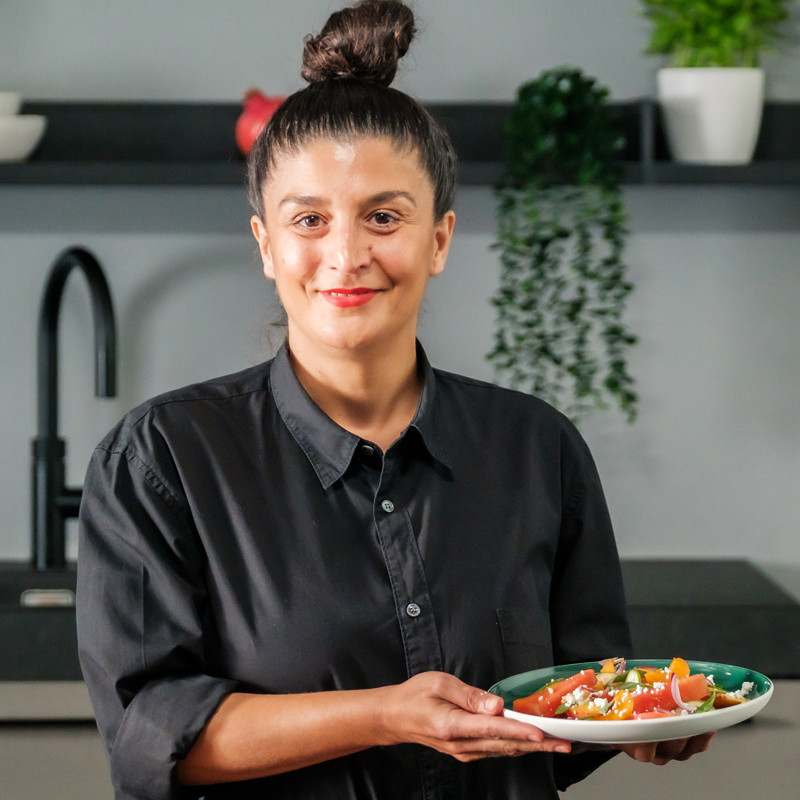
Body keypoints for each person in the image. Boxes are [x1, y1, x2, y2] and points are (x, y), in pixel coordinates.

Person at [76, 2, 713, 799]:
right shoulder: (162, 458)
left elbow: (575, 699)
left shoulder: (536, 446)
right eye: (309, 219)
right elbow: (150, 735)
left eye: (384, 217)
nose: (346, 255)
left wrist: (643, 722)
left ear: (439, 240)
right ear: (266, 245)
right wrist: (385, 714)